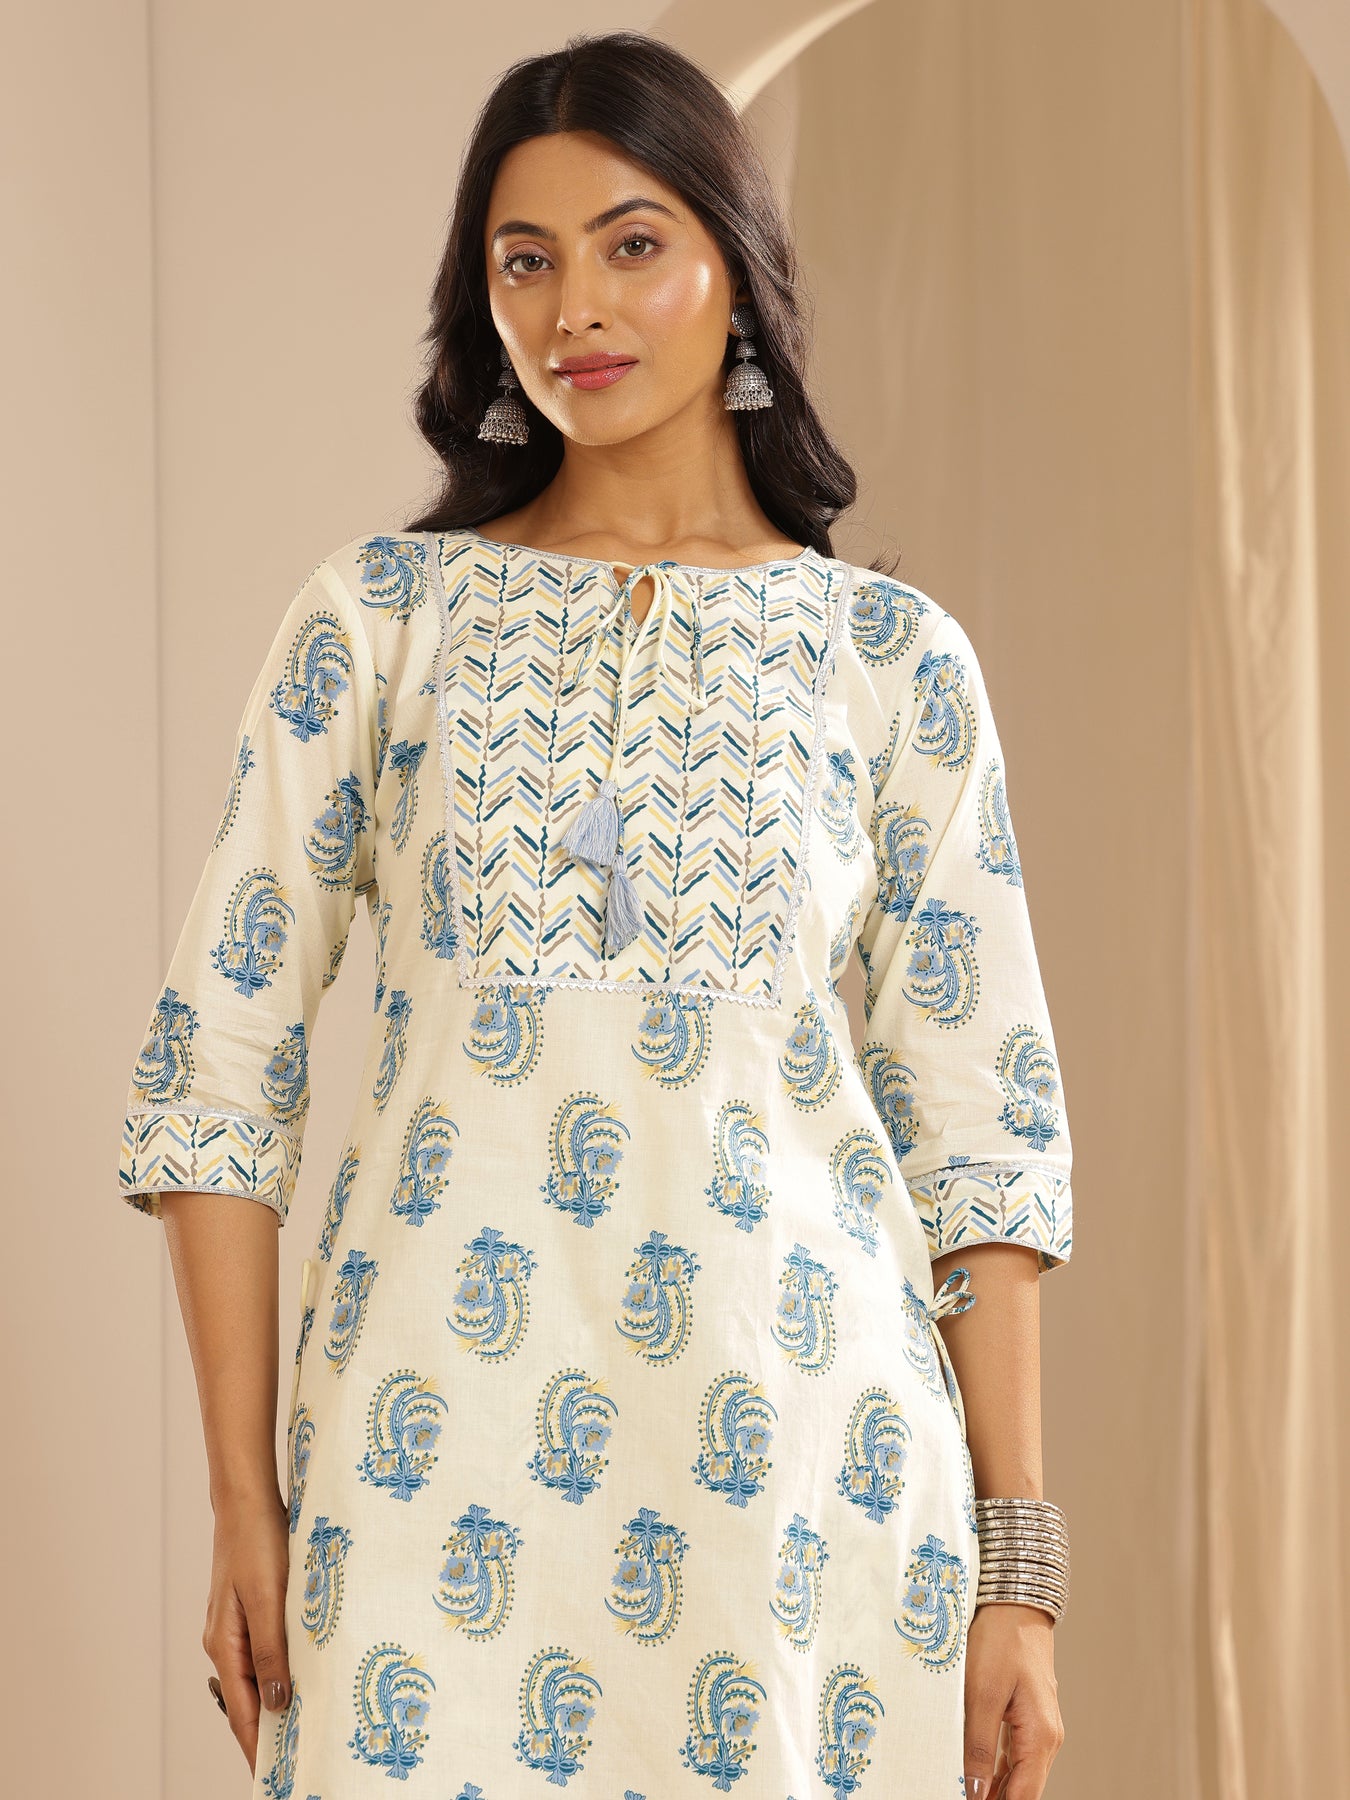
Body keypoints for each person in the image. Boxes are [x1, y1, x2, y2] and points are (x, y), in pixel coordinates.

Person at [117, 29, 1074, 1800]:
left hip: (809, 1480)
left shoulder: (888, 662)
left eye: (632, 244)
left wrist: (1016, 1572)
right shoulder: (381, 624)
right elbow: (215, 1073)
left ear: (737, 268)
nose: (576, 308)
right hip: (428, 1478)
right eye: (524, 261)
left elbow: (980, 1134)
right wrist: (244, 1503)